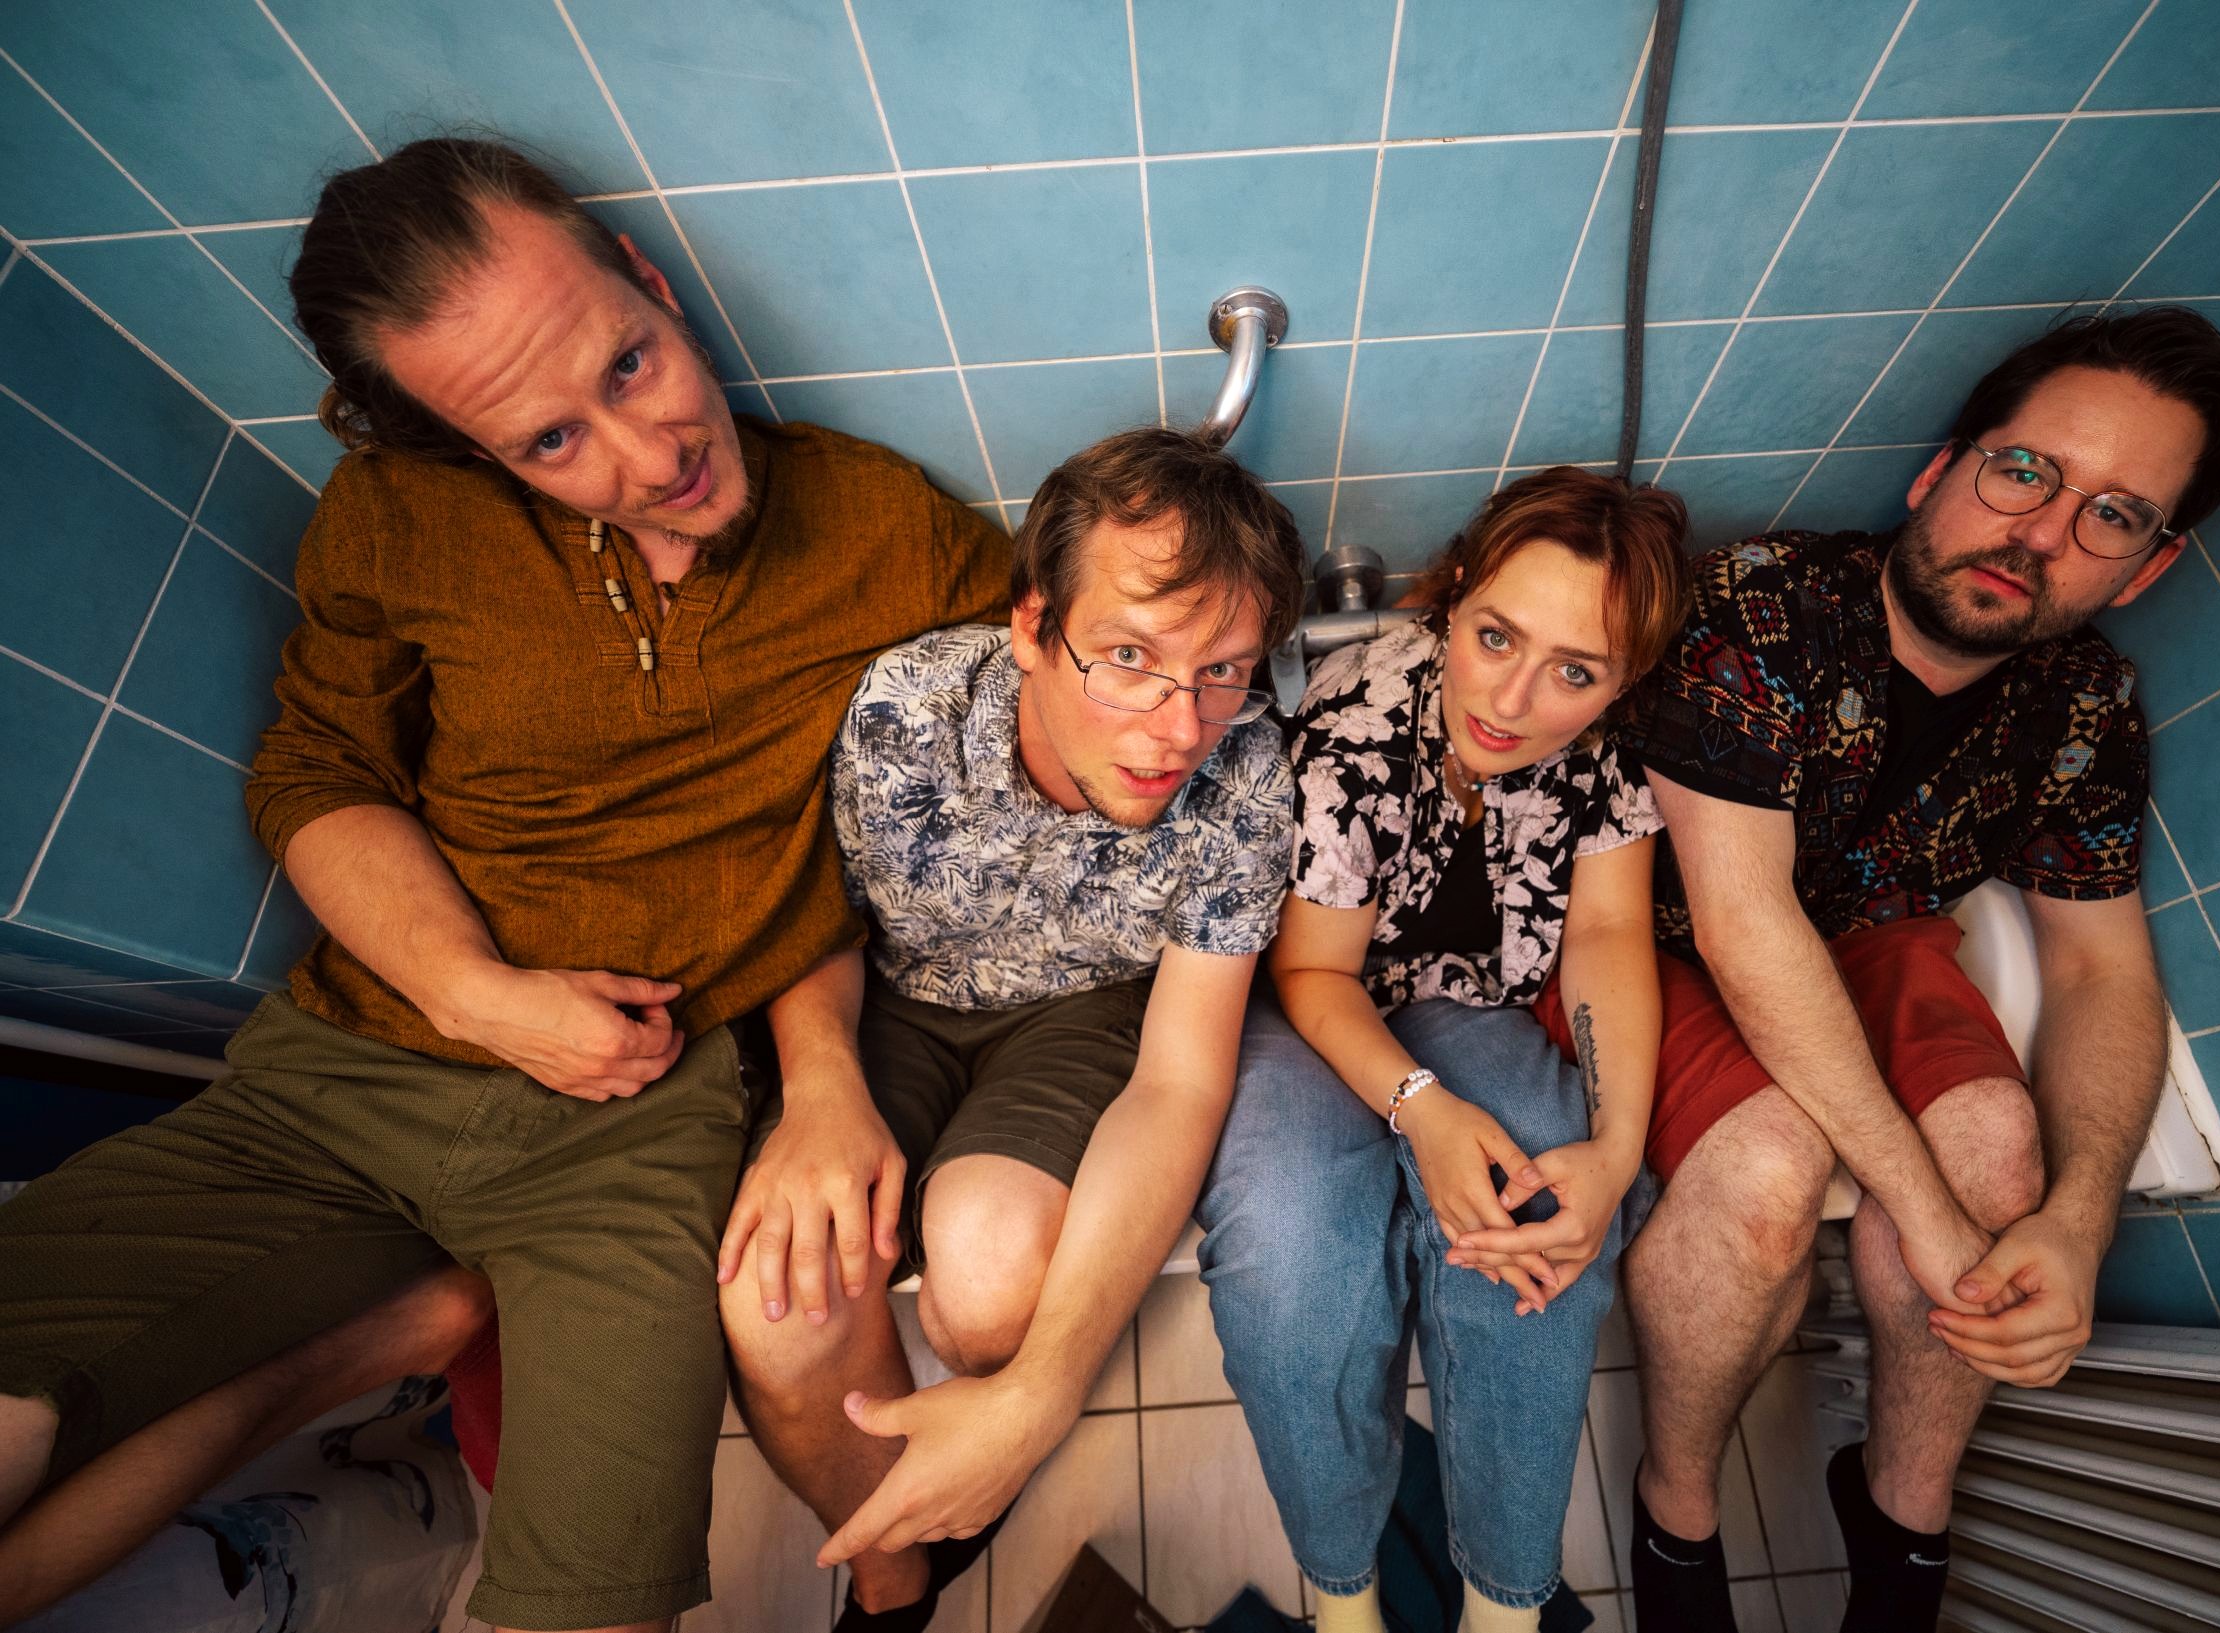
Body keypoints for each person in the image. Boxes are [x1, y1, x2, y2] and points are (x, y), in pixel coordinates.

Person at [0, 136, 1010, 1633]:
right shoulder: (393, 523)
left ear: (653, 284)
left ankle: (881, 1578)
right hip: (341, 1076)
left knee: (583, 1602)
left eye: (629, 361)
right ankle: (409, 1317)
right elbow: (313, 775)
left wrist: (821, 1079)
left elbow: (1052, 707)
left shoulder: (883, 530)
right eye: (549, 443)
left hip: (641, 1118)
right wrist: (477, 994)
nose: (647, 452)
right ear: (472, 452)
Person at [1599, 307, 2220, 1633]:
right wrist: (1925, 1211)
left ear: (2146, 565)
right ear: (1938, 473)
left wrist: (2076, 1224)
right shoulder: (1763, 606)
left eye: (2112, 515)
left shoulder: (2081, 705)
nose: (2041, 534)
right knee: (1768, 1177)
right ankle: (1676, 1509)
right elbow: (1741, 923)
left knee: (2003, 1154)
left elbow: (2098, 971)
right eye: (2025, 473)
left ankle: (1903, 1524)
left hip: (1881, 931)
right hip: (1668, 929)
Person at [715, 427, 1304, 1630]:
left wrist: (1040, 1390)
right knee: (779, 1306)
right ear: (1033, 628)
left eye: (1222, 671)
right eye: (1129, 658)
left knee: (985, 1294)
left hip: (1077, 1012)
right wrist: (819, 1090)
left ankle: (976, 1448)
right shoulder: (906, 710)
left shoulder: (1246, 771)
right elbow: (806, 918)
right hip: (886, 1000)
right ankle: (892, 1584)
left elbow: (1182, 1079)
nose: (1177, 728)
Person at [1199, 468, 1692, 1633]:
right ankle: (1342, 1589)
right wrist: (1420, 1109)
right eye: (1495, 637)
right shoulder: (1359, 718)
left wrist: (1616, 1150)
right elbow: (1311, 973)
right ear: (1453, 591)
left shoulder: (1605, 751)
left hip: (1460, 1006)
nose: (1513, 699)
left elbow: (1611, 933)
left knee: (1542, 1221)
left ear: (1622, 681)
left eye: (1575, 670)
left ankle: (1504, 1605)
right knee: (1290, 1255)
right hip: (1301, 1007)